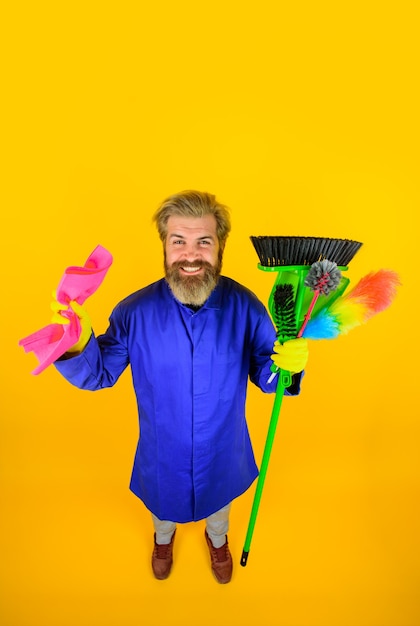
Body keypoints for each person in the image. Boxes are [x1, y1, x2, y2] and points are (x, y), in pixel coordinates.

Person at [52, 190, 309, 584]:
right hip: (162, 450)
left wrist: (288, 368)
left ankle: (217, 539)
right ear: (165, 246)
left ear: (220, 246)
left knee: (220, 506)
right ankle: (163, 538)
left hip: (224, 448)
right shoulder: (134, 311)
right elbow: (99, 373)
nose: (191, 255)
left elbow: (268, 375)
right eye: (179, 242)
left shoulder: (246, 306)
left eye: (203, 241)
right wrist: (75, 341)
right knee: (161, 507)